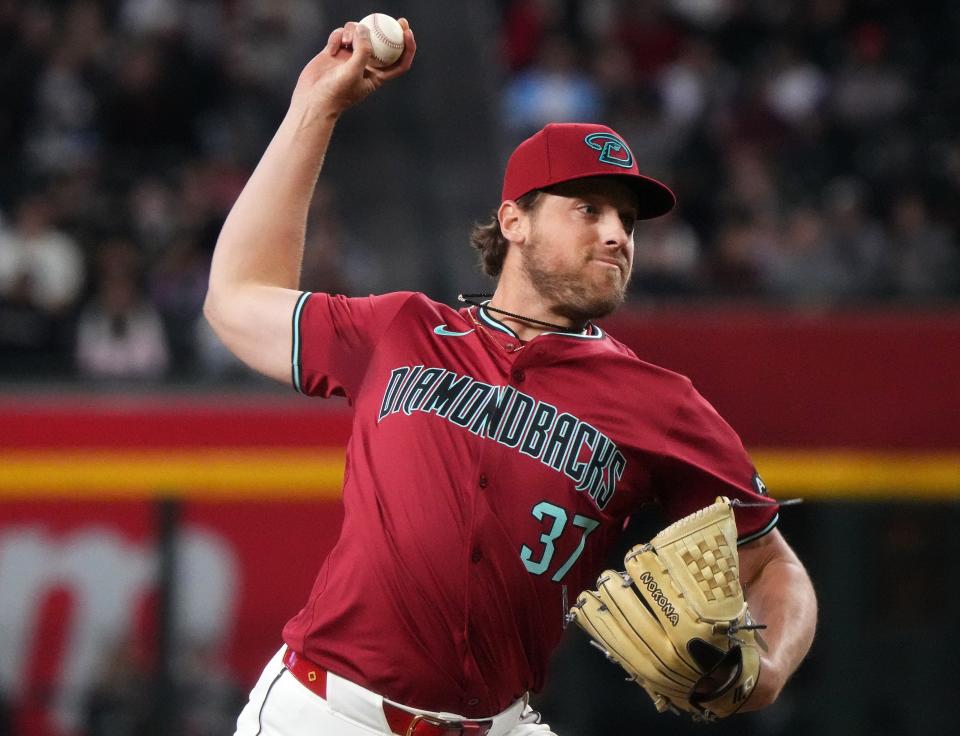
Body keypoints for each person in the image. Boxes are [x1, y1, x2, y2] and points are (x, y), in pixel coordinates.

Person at [204, 18, 817, 736]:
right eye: (588, 209)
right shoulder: (402, 329)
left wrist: (767, 670)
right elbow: (236, 298)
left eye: (626, 219)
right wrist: (316, 107)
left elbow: (775, 567)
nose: (618, 234)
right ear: (514, 222)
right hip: (325, 712)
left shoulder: (661, 403)